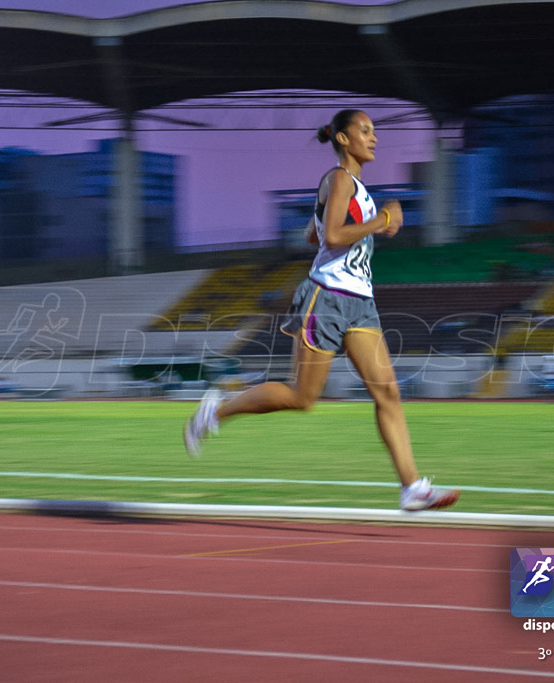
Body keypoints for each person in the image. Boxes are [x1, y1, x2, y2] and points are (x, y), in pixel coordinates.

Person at [184, 109, 459, 512]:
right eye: (364, 131)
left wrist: (359, 219)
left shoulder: (354, 188)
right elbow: (331, 236)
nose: (374, 137)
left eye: (374, 131)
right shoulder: (339, 179)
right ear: (343, 140)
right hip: (327, 296)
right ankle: (214, 413)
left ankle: (411, 488)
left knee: (388, 394)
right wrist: (381, 219)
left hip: (360, 301)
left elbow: (316, 232)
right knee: (302, 396)